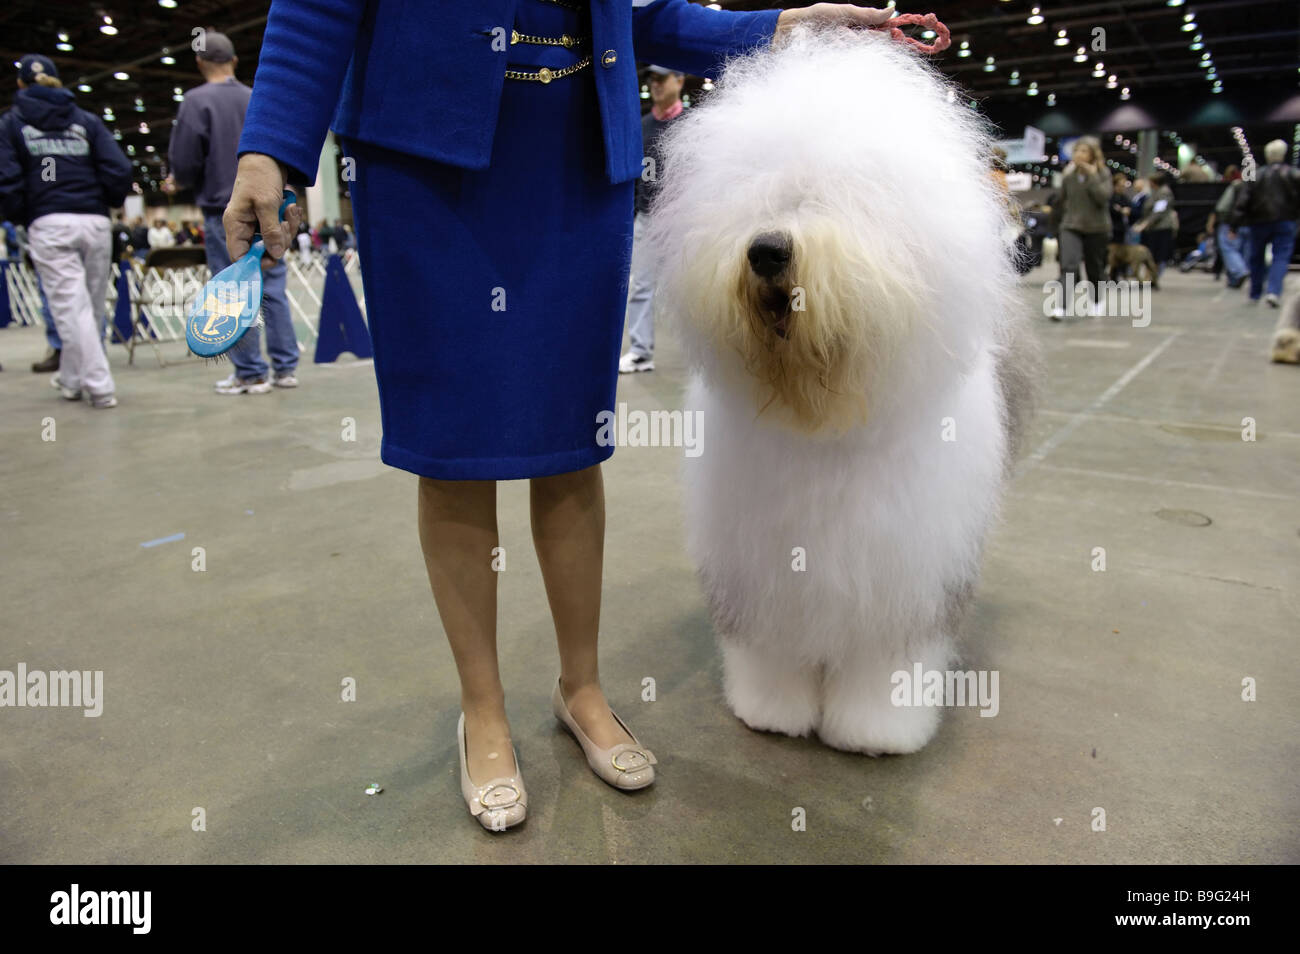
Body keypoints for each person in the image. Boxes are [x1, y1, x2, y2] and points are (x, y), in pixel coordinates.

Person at [224, 0, 895, 832]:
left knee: (573, 442)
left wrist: (784, 26)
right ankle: (483, 712)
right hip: (428, 165)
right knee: (452, 447)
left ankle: (581, 689)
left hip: (577, 162)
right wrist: (270, 145)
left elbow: (644, 12)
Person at [168, 29, 299, 393]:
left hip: (227, 212)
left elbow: (185, 161)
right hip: (271, 205)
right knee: (272, 287)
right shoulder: (257, 97)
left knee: (233, 291)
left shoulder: (196, 101)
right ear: (234, 61)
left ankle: (250, 373)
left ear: (200, 62)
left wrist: (180, 180)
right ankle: (286, 368)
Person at [0, 54, 131, 408]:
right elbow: (118, 168)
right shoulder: (86, 121)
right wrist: (103, 201)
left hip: (49, 221)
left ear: (20, 84)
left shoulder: (11, 124)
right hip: (94, 221)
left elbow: (7, 179)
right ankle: (72, 380)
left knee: (72, 310)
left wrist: (21, 214)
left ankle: (99, 384)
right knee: (88, 308)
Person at [620, 65, 686, 374]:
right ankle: (640, 352)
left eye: (662, 78)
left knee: (692, 290)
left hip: (683, 224)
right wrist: (634, 215)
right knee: (640, 286)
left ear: (679, 80)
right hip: (647, 219)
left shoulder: (691, 125)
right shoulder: (643, 126)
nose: (656, 85)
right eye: (652, 80)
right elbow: (636, 178)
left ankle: (705, 360)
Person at [1231, 139, 1299, 307]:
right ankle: (1273, 292)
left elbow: (1243, 201)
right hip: (1285, 221)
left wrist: (1234, 224)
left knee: (1256, 258)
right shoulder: (1293, 174)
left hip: (1259, 223)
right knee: (1280, 258)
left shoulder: (1257, 174)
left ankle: (1255, 293)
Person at [1053, 136, 1111, 317]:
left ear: (1093, 155)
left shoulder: (1102, 174)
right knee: (1068, 265)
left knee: (1094, 268)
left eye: (1084, 151)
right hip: (1071, 226)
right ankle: (1061, 307)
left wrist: (1092, 176)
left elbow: (1103, 198)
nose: (1079, 154)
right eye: (1076, 150)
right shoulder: (1069, 175)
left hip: (1097, 228)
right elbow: (1061, 200)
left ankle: (1096, 301)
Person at [1212, 165, 1249, 289]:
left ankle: (1239, 272)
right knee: (1241, 252)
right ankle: (1234, 280)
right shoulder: (1259, 188)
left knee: (1228, 248)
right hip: (1250, 225)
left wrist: (1222, 220)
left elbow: (1222, 207)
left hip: (1231, 223)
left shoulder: (1236, 186)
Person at [1134, 171, 1177, 275]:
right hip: (1154, 228)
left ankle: (1152, 278)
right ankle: (1150, 277)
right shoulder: (1156, 192)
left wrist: (1145, 224)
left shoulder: (1164, 192)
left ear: (1155, 182)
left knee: (1157, 255)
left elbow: (1159, 211)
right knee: (1152, 254)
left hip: (1161, 228)